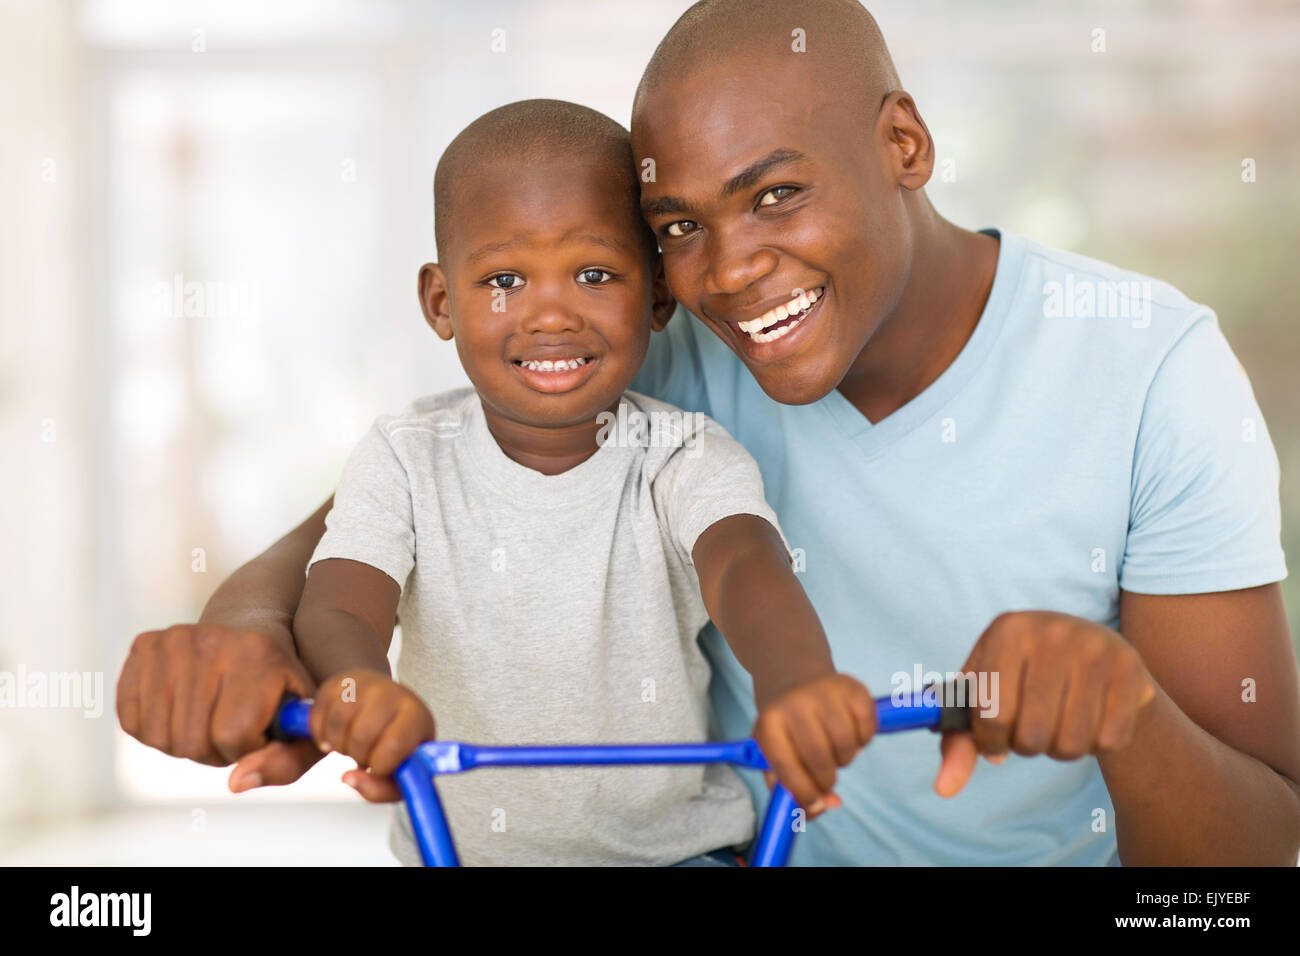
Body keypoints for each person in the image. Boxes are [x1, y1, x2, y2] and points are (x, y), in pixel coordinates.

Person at [118, 0, 1300, 865]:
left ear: (905, 145)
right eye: (676, 224)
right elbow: (380, 508)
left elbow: (1259, 851)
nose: (731, 272)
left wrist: (1127, 705)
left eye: (775, 193)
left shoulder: (1150, 367)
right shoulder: (665, 350)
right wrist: (238, 629)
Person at [127, 98, 877, 867]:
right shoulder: (405, 455)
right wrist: (357, 687)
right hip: (452, 852)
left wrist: (798, 683)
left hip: (678, 856)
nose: (550, 314)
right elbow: (342, 601)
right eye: (505, 279)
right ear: (441, 302)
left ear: (656, 296)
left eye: (593, 274)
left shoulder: (685, 454)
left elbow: (747, 568)